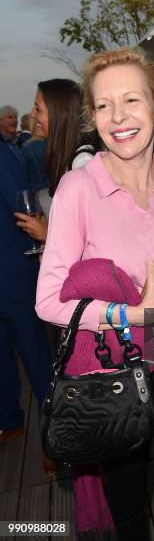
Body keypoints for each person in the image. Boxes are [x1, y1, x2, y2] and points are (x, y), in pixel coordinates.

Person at [36, 47, 154, 541]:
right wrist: (134, 313)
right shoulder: (78, 188)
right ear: (92, 117)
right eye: (103, 106)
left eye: (131, 101)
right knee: (129, 514)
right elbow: (49, 301)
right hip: (116, 378)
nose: (118, 118)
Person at [0, 138, 52, 445]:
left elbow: (23, 206)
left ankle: (58, 433)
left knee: (34, 353)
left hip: (11, 272)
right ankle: (8, 420)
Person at [15, 78, 100, 237]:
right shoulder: (68, 157)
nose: (32, 114)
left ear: (58, 114)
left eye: (38, 108)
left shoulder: (84, 163)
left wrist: (48, 234)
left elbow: (97, 232)